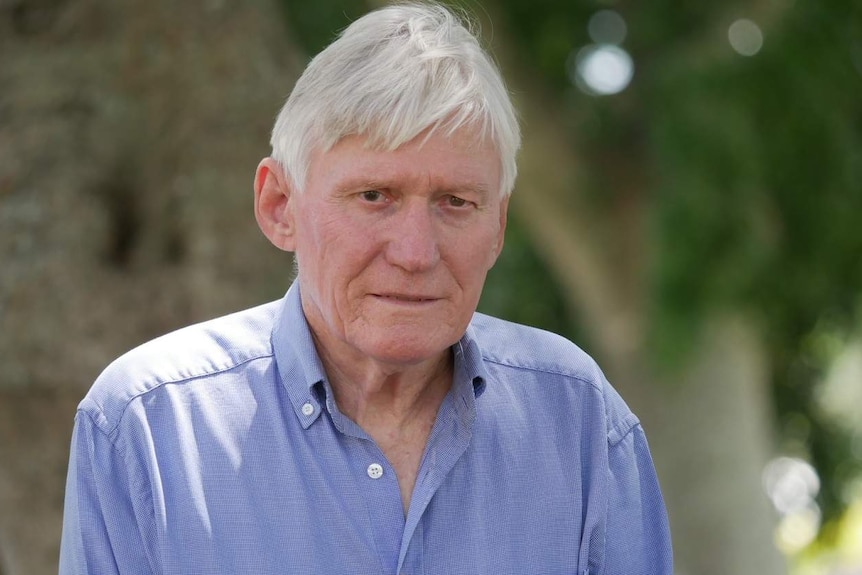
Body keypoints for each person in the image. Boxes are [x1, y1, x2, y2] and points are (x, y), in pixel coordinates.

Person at [59, 2, 672, 574]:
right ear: (280, 206)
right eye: (374, 197)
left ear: (499, 227)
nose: (415, 252)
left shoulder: (579, 422)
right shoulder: (150, 429)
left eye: (456, 203)